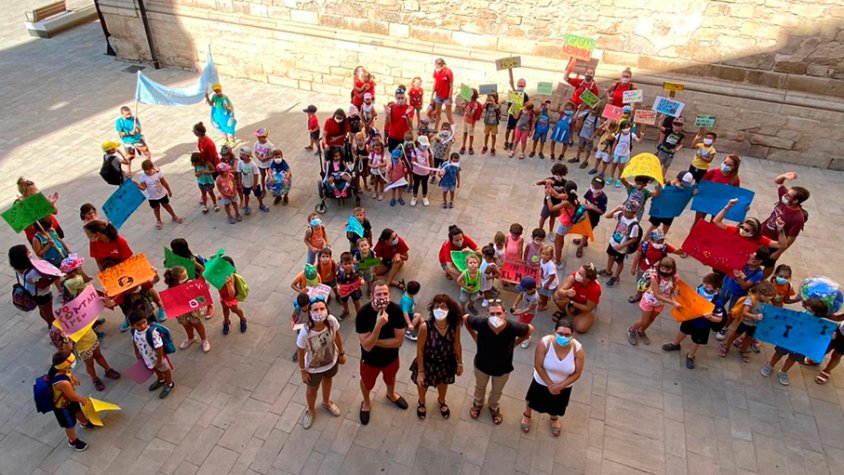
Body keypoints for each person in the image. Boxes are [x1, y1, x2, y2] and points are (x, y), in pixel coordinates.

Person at [464, 301, 533, 425]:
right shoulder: (481, 323)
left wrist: (514, 344)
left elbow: (529, 329)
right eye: (492, 313)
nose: (496, 316)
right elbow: (465, 318)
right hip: (481, 365)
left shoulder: (513, 327)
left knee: (497, 391)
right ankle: (478, 404)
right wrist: (475, 337)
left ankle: (493, 407)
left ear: (505, 314)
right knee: (480, 387)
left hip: (503, 367)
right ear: (487, 314)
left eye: (499, 313)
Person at [355, 280, 409, 425]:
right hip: (370, 361)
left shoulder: (396, 310)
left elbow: (398, 341)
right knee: (367, 383)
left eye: (385, 293)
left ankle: (391, 394)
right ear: (372, 295)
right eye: (379, 294)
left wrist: (373, 341)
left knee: (391, 378)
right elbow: (366, 347)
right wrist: (378, 325)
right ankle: (366, 403)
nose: (382, 297)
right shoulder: (363, 314)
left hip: (391, 358)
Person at [521, 319, 584, 436]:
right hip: (542, 381)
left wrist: (560, 386)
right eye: (560, 333)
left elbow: (577, 373)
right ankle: (527, 414)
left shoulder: (578, 349)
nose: (563, 337)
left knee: (556, 405)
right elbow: (538, 366)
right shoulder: (545, 343)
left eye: (567, 335)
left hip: (563, 386)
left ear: (572, 335)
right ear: (554, 332)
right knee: (532, 399)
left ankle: (554, 418)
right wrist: (550, 384)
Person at [410, 294, 463, 420]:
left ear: (449, 310)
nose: (440, 310)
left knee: (444, 383)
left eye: (443, 307)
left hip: (446, 362)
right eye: (437, 306)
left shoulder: (454, 326)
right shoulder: (425, 327)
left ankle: (441, 400)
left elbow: (457, 344)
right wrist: (421, 372)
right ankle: (421, 402)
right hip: (428, 363)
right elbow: (420, 349)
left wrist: (460, 362)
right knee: (423, 385)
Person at [297, 296, 345, 429]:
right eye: (315, 309)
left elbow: (337, 336)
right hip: (313, 368)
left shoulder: (331, 321)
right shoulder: (305, 331)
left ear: (327, 309)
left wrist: (341, 353)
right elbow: (301, 351)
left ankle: (326, 402)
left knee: (328, 380)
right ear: (310, 312)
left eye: (322, 308)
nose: (319, 312)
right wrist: (303, 371)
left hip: (331, 361)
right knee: (312, 389)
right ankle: (311, 410)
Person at [662, 273, 725, 369]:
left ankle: (690, 356)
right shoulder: (699, 288)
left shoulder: (718, 302)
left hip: (703, 325)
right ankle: (675, 344)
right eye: (704, 284)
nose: (704, 286)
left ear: (716, 289)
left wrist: (710, 317)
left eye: (707, 286)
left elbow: (719, 319)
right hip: (690, 317)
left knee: (696, 340)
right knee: (683, 331)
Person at [761, 298, 829, 386]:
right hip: (789, 339)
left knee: (793, 358)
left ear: (815, 311)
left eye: (809, 307)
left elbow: (819, 334)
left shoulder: (820, 323)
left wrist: (828, 335)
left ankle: (783, 371)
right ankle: (770, 366)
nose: (805, 307)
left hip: (801, 344)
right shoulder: (802, 314)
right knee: (779, 353)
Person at [759, 172, 810, 278]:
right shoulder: (785, 200)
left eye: (788, 195)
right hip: (761, 233)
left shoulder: (797, 218)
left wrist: (778, 252)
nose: (785, 195)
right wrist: (785, 176)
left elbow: (791, 238)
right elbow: (778, 181)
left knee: (769, 262)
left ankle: (760, 280)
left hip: (774, 242)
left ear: (796, 200)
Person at [715, 248, 769, 341]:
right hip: (726, 286)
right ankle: (713, 319)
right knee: (717, 303)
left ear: (760, 261)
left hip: (738, 294)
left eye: (755, 260)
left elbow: (745, 286)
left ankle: (724, 327)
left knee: (733, 312)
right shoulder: (743, 259)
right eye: (752, 256)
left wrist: (738, 275)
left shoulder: (758, 273)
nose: (752, 259)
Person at [46, 350, 95, 451]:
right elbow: (72, 396)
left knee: (77, 410)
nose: (73, 364)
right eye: (71, 363)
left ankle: (84, 422)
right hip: (62, 406)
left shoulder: (60, 370)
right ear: (65, 365)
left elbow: (68, 373)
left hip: (68, 401)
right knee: (70, 424)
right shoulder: (63, 383)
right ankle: (73, 441)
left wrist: (73, 378)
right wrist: (82, 400)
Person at [627, 257, 680, 346]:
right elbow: (657, 295)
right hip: (649, 300)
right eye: (663, 268)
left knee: (651, 319)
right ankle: (632, 330)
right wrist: (672, 303)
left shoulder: (674, 278)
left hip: (660, 303)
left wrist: (675, 302)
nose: (665, 271)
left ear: (672, 269)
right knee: (644, 321)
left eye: (668, 269)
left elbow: (671, 292)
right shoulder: (655, 277)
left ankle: (641, 330)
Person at [719, 281, 775, 362]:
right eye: (766, 296)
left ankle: (743, 349)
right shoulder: (751, 299)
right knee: (735, 335)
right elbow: (744, 312)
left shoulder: (768, 302)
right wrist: (754, 316)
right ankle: (726, 346)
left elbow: (769, 312)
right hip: (744, 322)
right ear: (759, 293)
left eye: (770, 296)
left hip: (754, 325)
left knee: (748, 338)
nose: (768, 298)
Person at [627, 228, 683, 304]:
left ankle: (651, 295)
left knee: (655, 283)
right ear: (651, 240)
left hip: (657, 270)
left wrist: (680, 251)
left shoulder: (665, 247)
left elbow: (676, 251)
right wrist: (633, 267)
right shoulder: (644, 245)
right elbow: (637, 256)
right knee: (641, 282)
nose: (660, 243)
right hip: (643, 268)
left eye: (662, 241)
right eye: (658, 241)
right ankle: (638, 295)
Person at [163, 266, 211, 353]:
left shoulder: (190, 283)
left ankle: (204, 340)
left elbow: (198, 291)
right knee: (185, 324)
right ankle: (191, 337)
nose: (186, 278)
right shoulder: (170, 289)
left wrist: (204, 288)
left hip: (193, 309)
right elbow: (170, 300)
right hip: (181, 311)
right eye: (183, 277)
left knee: (197, 323)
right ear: (175, 280)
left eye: (186, 275)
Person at [129, 312, 175, 398]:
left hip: (158, 357)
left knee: (165, 370)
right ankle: (161, 380)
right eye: (138, 324)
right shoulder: (134, 331)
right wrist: (137, 352)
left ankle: (169, 384)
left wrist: (160, 360)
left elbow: (159, 347)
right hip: (147, 357)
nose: (142, 326)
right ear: (132, 325)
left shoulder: (152, 333)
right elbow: (135, 341)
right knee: (155, 368)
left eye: (144, 322)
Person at [9, 244, 56, 326]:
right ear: (23, 257)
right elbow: (42, 285)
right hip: (43, 295)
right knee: (49, 314)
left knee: (43, 311)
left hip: (31, 292)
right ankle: (55, 329)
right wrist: (54, 278)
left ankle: (49, 324)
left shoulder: (18, 268)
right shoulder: (32, 272)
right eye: (27, 252)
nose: (30, 251)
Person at [134, 159, 183, 230]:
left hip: (162, 194)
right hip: (152, 197)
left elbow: (164, 182)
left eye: (148, 170)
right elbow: (143, 188)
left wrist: (169, 190)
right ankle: (159, 220)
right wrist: (136, 184)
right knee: (156, 208)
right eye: (145, 170)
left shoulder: (158, 173)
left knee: (166, 205)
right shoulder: (143, 177)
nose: (147, 172)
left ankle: (174, 216)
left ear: (151, 168)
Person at [602, 201, 642, 287]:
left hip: (621, 248)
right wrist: (616, 208)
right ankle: (608, 270)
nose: (625, 213)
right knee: (610, 256)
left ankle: (616, 276)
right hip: (613, 241)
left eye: (627, 212)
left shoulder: (634, 225)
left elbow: (634, 239)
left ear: (634, 212)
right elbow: (607, 216)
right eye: (624, 210)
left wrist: (621, 246)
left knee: (619, 262)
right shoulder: (621, 215)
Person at [553, 263, 602, 333]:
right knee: (557, 296)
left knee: (580, 328)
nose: (577, 274)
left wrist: (570, 302)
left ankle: (587, 316)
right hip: (573, 300)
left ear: (588, 279)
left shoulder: (595, 289)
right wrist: (566, 292)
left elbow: (588, 308)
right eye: (578, 271)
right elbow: (560, 291)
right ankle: (563, 311)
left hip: (584, 307)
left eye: (580, 274)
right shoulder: (573, 277)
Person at [574, 177, 608, 258]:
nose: (594, 188)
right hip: (585, 215)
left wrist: (593, 208)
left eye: (596, 187)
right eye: (593, 186)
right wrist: (585, 207)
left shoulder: (603, 198)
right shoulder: (589, 191)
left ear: (601, 188)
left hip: (593, 218)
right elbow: (585, 200)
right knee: (583, 229)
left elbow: (602, 211)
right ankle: (583, 241)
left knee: (587, 231)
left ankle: (580, 247)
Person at [219, 256, 248, 335]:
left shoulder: (230, 277)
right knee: (224, 309)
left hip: (230, 298)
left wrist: (228, 284)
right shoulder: (219, 274)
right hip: (223, 296)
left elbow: (232, 294)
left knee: (234, 309)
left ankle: (243, 319)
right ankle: (226, 321)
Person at [238, 147, 270, 214]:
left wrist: (255, 184)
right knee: (246, 195)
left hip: (254, 183)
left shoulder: (253, 165)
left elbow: (256, 175)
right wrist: (240, 182)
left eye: (243, 155)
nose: (241, 156)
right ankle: (246, 206)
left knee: (258, 195)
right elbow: (239, 173)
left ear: (248, 156)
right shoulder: (240, 163)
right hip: (245, 184)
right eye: (240, 154)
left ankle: (261, 204)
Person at [512, 276, 540, 348]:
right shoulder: (525, 290)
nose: (524, 291)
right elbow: (520, 295)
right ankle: (519, 332)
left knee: (524, 326)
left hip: (529, 313)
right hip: (524, 310)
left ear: (533, 289)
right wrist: (514, 305)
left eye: (525, 290)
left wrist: (518, 313)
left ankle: (527, 338)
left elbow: (529, 309)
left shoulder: (535, 298)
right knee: (520, 322)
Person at [504, 75, 529, 151]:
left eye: (522, 85)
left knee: (515, 129)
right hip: (511, 114)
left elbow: (526, 104)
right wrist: (509, 109)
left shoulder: (525, 95)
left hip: (519, 115)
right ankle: (506, 141)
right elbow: (509, 103)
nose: (520, 86)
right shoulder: (513, 92)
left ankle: (512, 142)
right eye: (520, 84)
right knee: (508, 129)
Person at [385, 87, 415, 151]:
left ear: (405, 98)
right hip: (393, 136)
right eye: (398, 98)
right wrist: (388, 114)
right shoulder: (391, 107)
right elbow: (388, 123)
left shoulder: (409, 108)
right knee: (393, 155)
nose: (400, 100)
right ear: (395, 98)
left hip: (405, 138)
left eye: (402, 98)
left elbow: (409, 125)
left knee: (404, 156)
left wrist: (407, 115)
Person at [432, 58, 455, 130]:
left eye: (437, 66)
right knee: (438, 112)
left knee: (449, 115)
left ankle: (453, 130)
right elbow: (435, 82)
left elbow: (451, 85)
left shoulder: (448, 72)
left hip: (446, 96)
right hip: (439, 95)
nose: (436, 68)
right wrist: (432, 94)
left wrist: (450, 97)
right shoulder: (436, 71)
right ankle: (435, 128)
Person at [410, 135, 433, 207]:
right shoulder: (414, 151)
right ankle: (414, 197)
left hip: (426, 172)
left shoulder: (429, 150)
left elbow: (430, 160)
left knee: (425, 184)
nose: (425, 147)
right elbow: (412, 160)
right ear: (418, 144)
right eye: (423, 145)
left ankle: (424, 197)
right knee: (416, 184)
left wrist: (431, 170)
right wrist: (413, 162)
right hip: (416, 172)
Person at [459, 88, 482, 155]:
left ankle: (470, 147)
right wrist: (463, 105)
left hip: (471, 122)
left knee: (471, 134)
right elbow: (462, 110)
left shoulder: (475, 104)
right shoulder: (467, 101)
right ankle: (463, 146)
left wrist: (467, 108)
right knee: (465, 132)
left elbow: (471, 115)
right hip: (465, 120)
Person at [253, 128, 274, 194]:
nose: (258, 138)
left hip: (268, 164)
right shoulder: (256, 144)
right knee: (263, 176)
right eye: (257, 137)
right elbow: (255, 152)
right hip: (260, 164)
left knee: (270, 176)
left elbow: (273, 154)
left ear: (265, 137)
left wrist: (266, 158)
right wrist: (259, 157)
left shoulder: (270, 145)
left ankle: (272, 188)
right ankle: (263, 189)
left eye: (260, 137)